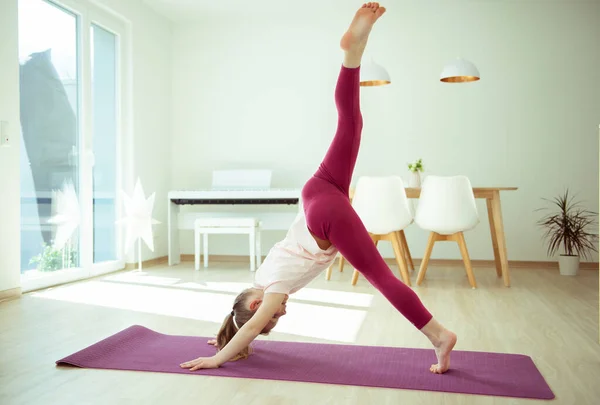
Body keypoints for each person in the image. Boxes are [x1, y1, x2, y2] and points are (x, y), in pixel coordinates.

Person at [180, 2, 457, 375]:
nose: (281, 310)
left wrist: (219, 357)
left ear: (258, 303)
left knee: (382, 278)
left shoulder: (272, 287)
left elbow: (252, 325)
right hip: (317, 191)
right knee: (351, 124)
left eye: (274, 313)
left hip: (324, 217)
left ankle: (439, 335)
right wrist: (225, 336)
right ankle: (352, 54)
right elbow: (244, 321)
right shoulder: (262, 279)